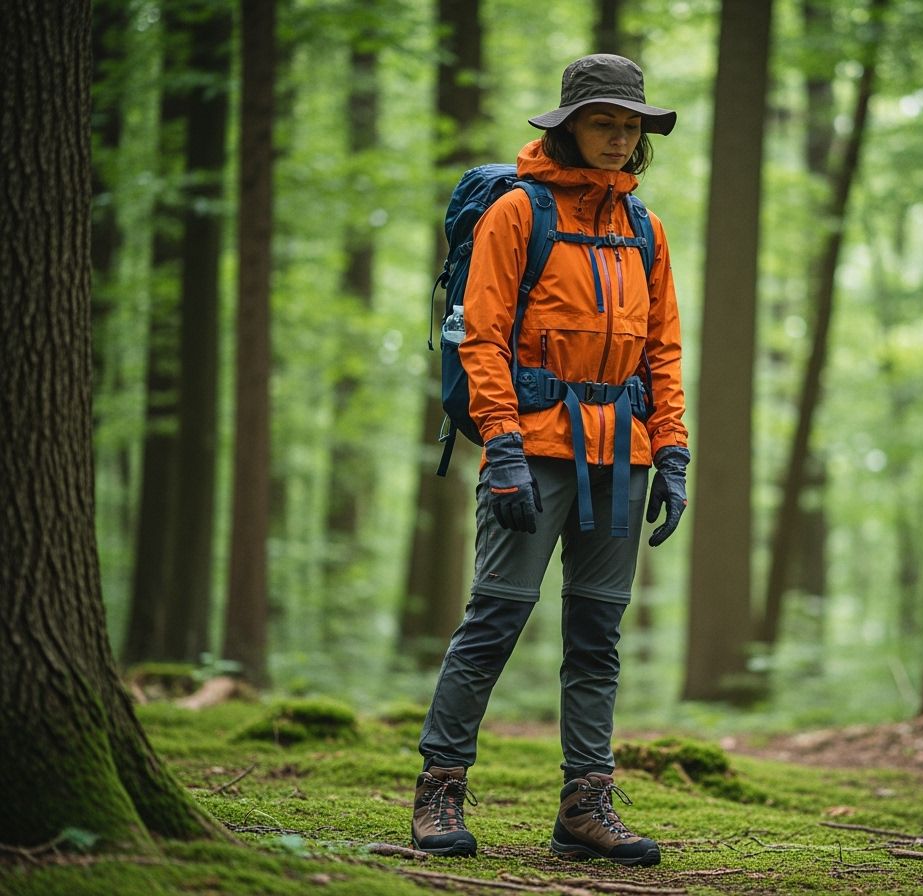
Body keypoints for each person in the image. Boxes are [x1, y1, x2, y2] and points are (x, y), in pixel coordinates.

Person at [411, 54, 690, 868]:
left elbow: (663, 352)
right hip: (530, 451)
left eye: (630, 125)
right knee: (496, 616)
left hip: (622, 455)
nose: (618, 137)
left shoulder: (645, 229)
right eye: (604, 121)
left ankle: (585, 804)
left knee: (598, 633)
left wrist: (671, 451)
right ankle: (439, 787)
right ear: (568, 126)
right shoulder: (516, 213)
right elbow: (482, 336)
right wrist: (498, 444)